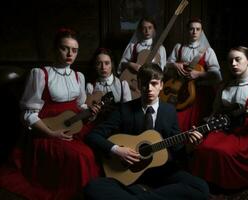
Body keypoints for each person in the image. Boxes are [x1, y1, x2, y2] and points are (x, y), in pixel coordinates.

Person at [0, 28, 100, 200]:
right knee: (82, 157)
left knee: (96, 149)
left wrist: (90, 113)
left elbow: (79, 106)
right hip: (46, 130)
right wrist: (51, 133)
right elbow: (27, 113)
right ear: (55, 49)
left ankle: (94, 192)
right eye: (64, 48)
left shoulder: (79, 76)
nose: (70, 53)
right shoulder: (40, 74)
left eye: (74, 50)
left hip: (73, 125)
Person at [84, 63, 209, 200]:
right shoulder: (124, 109)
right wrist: (117, 150)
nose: (149, 89)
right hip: (129, 172)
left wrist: (190, 146)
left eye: (154, 83)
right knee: (92, 187)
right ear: (138, 84)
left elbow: (177, 150)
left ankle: (140, 196)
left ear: (161, 85)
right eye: (145, 84)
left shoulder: (169, 111)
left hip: (162, 171)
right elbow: (93, 135)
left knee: (201, 188)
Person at [191, 46, 248, 190]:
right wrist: (209, 126)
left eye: (238, 59)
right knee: (202, 147)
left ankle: (225, 184)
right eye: (230, 61)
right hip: (224, 131)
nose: (233, 64)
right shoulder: (224, 87)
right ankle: (206, 183)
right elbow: (216, 111)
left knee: (222, 152)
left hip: (246, 135)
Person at [165, 18, 222, 132]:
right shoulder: (179, 47)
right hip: (180, 91)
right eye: (191, 29)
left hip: (200, 93)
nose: (194, 32)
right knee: (176, 123)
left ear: (201, 31)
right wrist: (175, 65)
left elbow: (217, 76)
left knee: (196, 126)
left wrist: (199, 74)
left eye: (197, 29)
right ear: (187, 31)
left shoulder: (208, 51)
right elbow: (165, 66)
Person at [118, 16, 167, 99]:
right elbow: (121, 64)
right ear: (140, 30)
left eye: (150, 28)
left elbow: (161, 70)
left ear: (154, 30)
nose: (147, 31)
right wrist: (131, 64)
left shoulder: (160, 48)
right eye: (144, 28)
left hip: (150, 84)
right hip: (133, 81)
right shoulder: (133, 46)